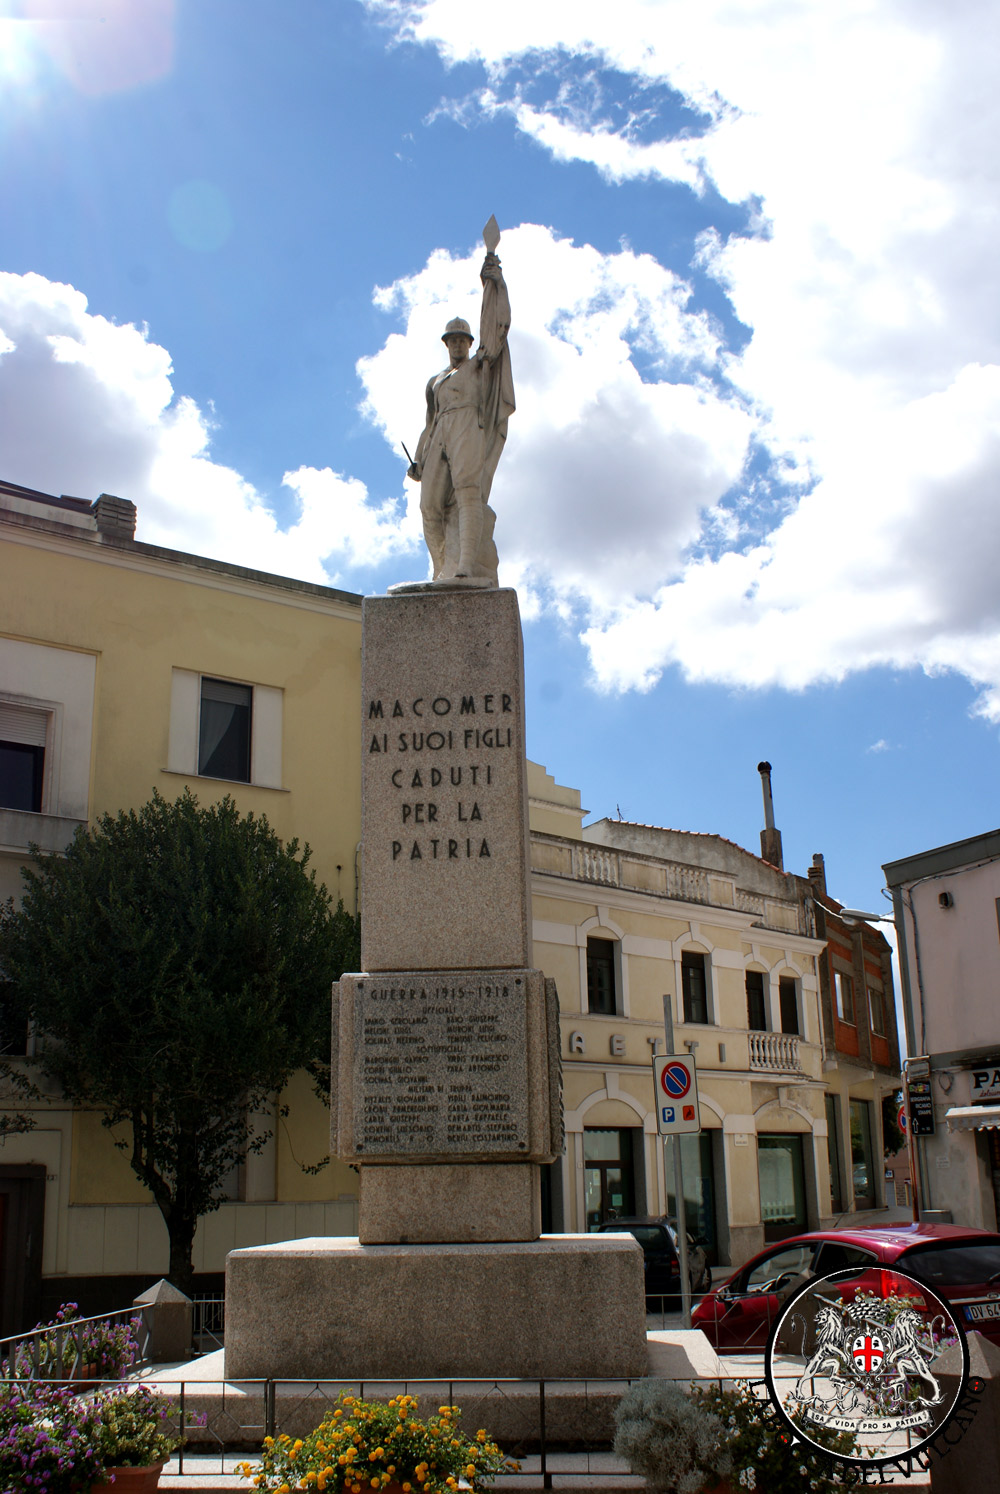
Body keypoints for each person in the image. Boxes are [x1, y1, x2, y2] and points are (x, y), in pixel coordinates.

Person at [406, 251, 514, 583]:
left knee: (468, 492)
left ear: (468, 343)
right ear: (446, 344)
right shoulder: (435, 381)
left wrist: (494, 283)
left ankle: (467, 563)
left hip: (468, 423)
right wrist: (419, 460)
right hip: (441, 430)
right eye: (451, 341)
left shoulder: (480, 366)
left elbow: (497, 330)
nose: (456, 345)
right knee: (429, 507)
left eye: (461, 340)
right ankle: (443, 568)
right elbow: (429, 423)